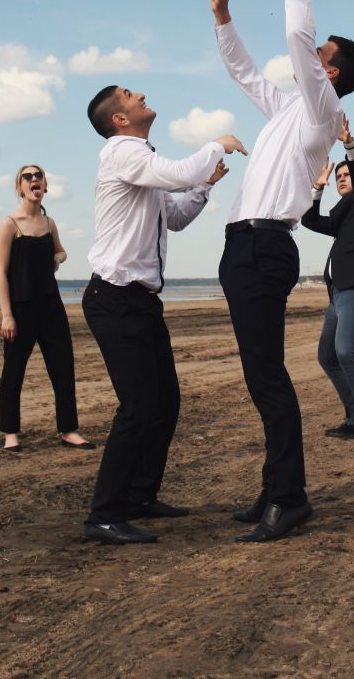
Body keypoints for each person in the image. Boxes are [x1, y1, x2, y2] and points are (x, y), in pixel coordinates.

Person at [206, 0, 354, 542]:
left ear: (331, 75)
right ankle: (275, 486)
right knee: (260, 375)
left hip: (266, 248)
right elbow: (246, 72)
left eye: (322, 56)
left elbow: (301, 43)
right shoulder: (285, 110)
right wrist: (223, 17)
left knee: (266, 377)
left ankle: (290, 496)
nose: (312, 55)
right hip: (240, 248)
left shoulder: (323, 110)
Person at [80, 85, 244, 546]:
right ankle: (104, 514)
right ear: (119, 119)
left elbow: (174, 214)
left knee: (164, 402)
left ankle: (139, 497)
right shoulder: (121, 152)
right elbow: (176, 174)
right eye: (132, 95)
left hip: (141, 301)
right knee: (137, 408)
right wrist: (219, 142)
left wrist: (206, 184)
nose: (142, 95)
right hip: (114, 298)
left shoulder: (140, 165)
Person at [301, 116, 354, 459]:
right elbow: (310, 220)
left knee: (346, 353)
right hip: (338, 293)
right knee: (328, 356)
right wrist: (318, 186)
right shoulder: (343, 213)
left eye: (344, 175)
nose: (341, 178)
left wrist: (349, 147)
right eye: (338, 176)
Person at [0, 164, 92, 454]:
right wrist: (7, 314)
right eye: (27, 177)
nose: (34, 179)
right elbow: (0, 272)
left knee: (63, 369)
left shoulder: (49, 223)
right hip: (21, 309)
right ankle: (10, 433)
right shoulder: (10, 224)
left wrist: (58, 257)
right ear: (19, 187)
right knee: (13, 372)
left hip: (51, 306)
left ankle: (69, 430)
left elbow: (60, 250)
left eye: (38, 176)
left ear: (45, 186)